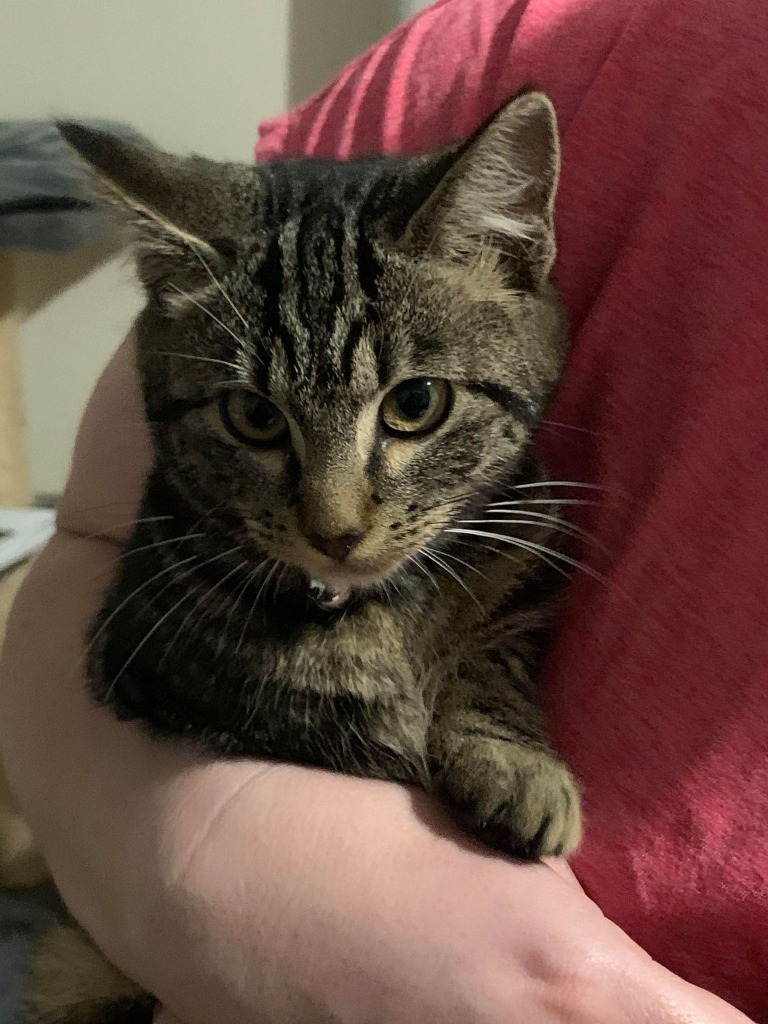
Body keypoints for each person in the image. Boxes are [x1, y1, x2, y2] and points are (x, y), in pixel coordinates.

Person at [2, 0, 766, 1020]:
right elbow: (93, 566)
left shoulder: (513, 535)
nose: (336, 515)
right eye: (256, 419)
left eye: (412, 407)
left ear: (511, 260)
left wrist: (484, 716)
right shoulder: (469, 51)